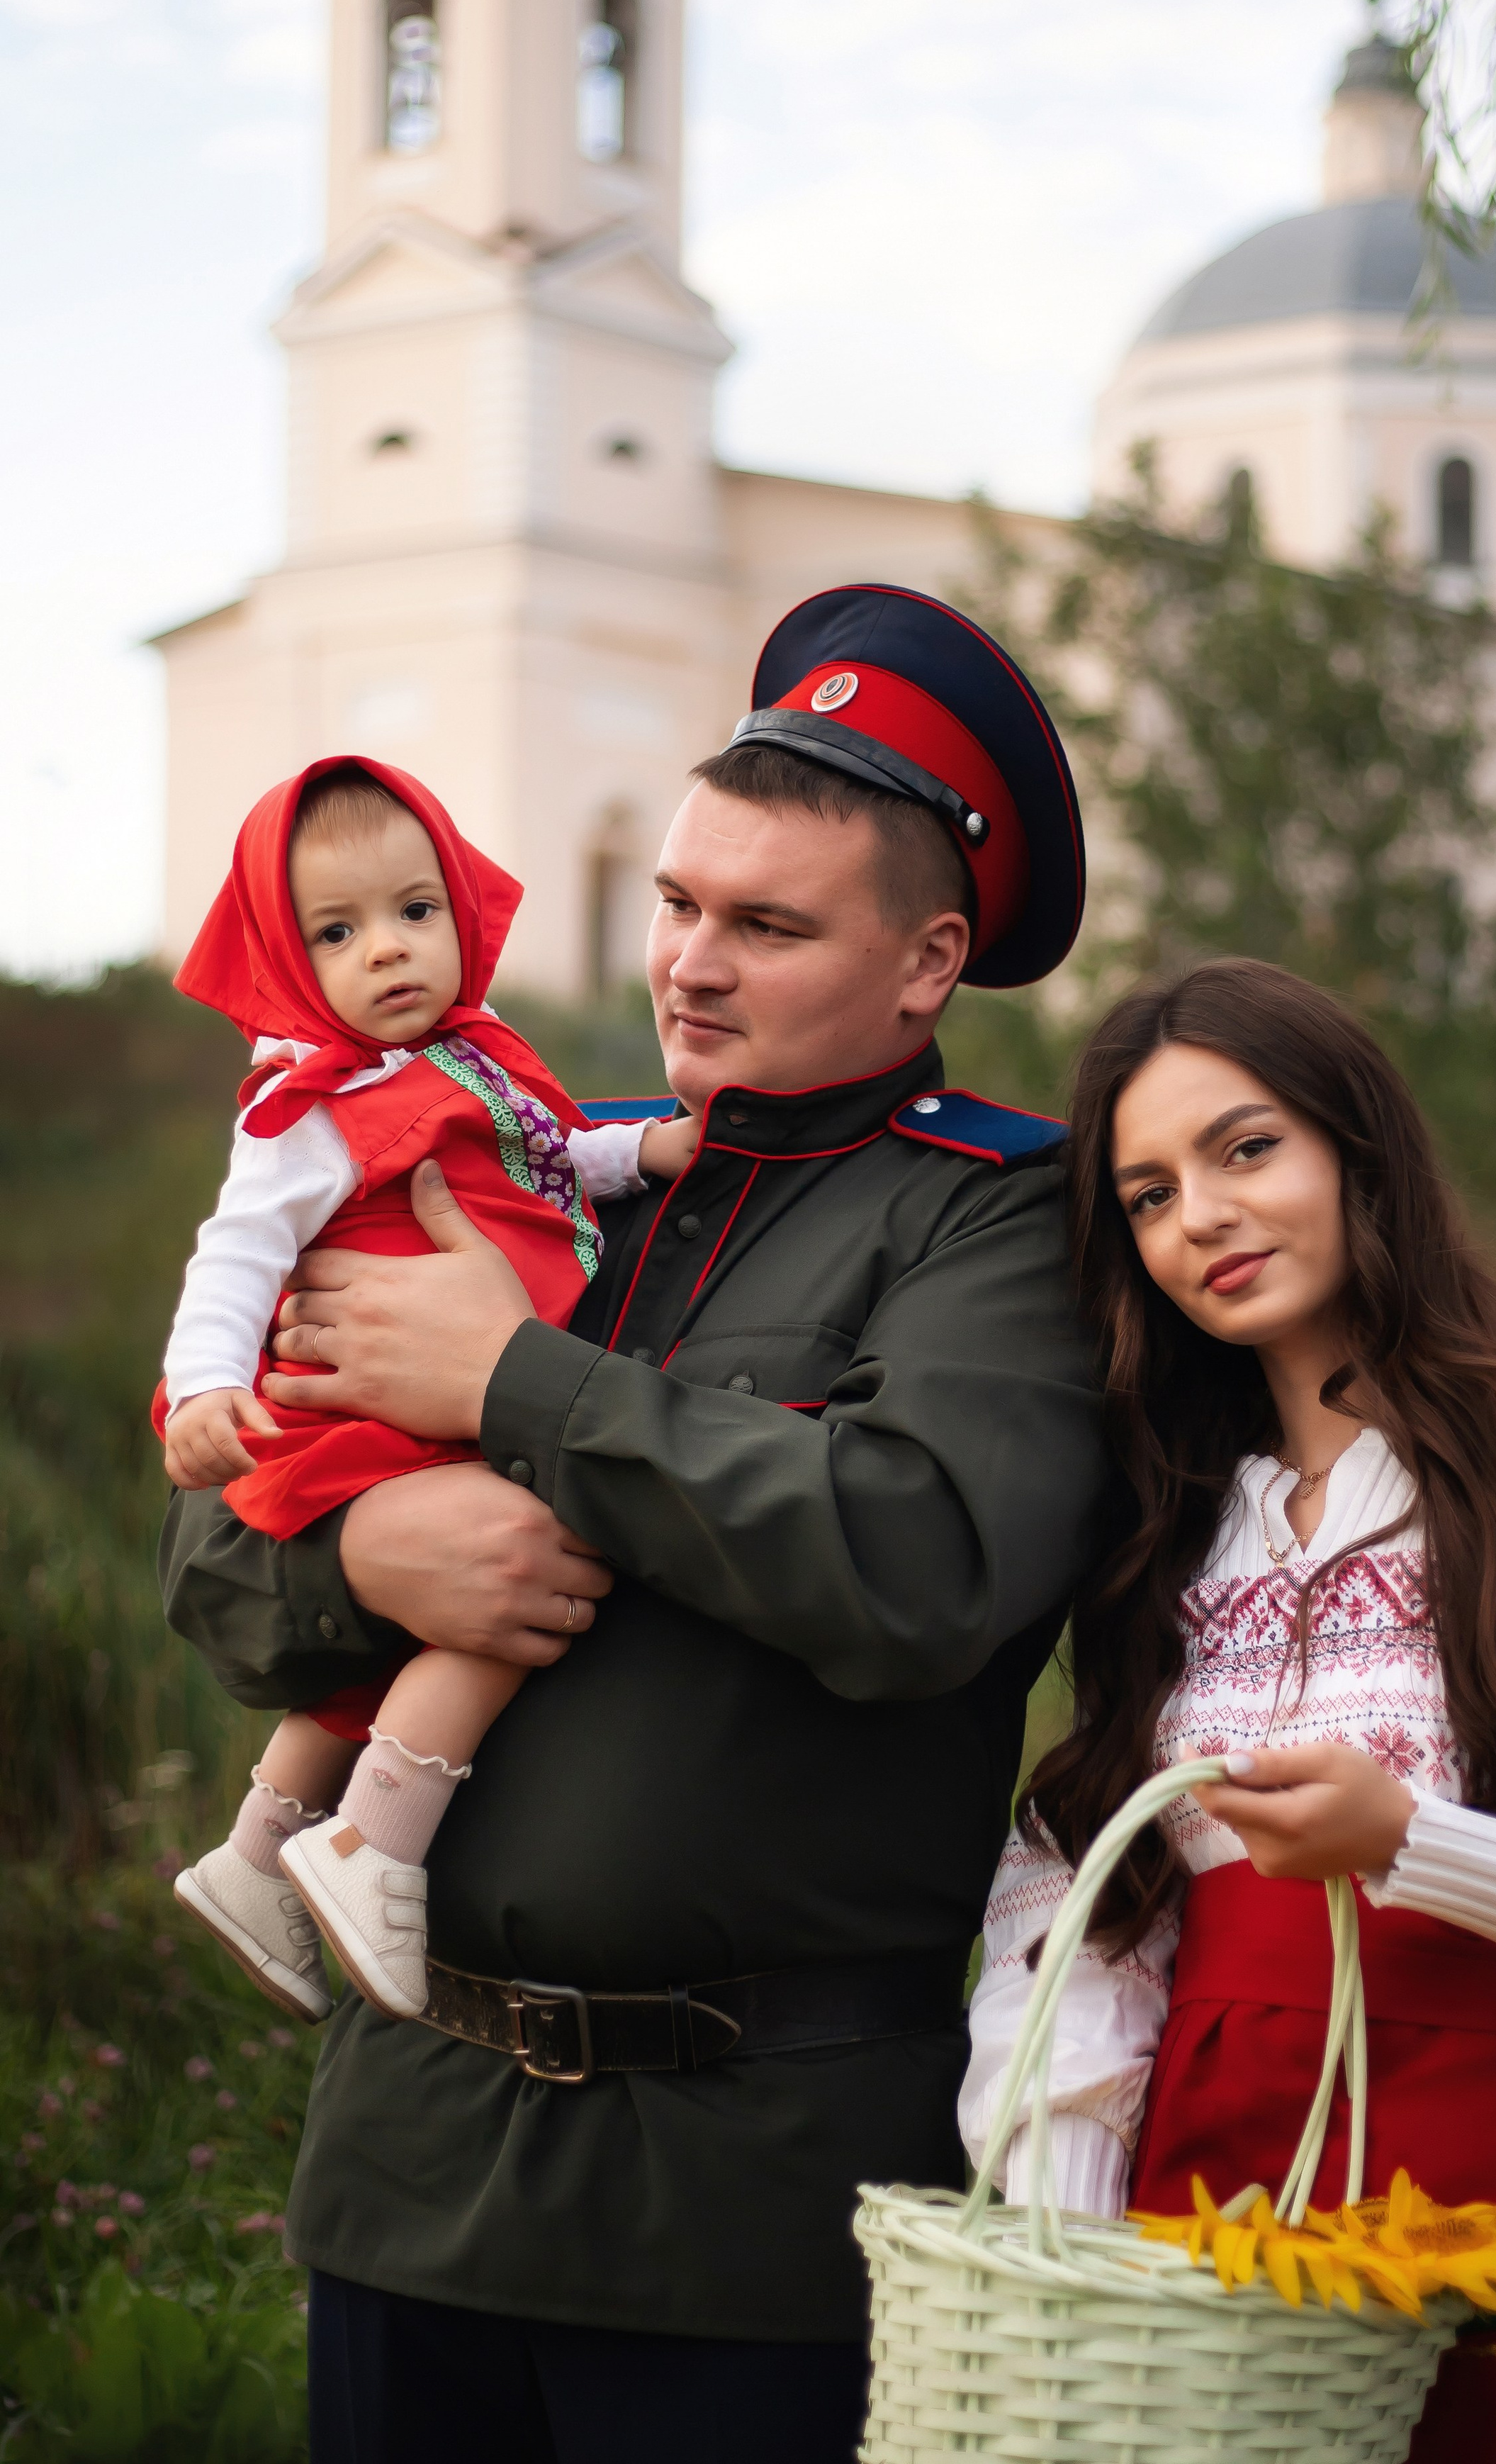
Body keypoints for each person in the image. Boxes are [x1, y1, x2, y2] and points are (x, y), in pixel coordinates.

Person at [159, 586, 1110, 2464]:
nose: (691, 964)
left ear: (927, 962)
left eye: (768, 925)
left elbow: (917, 1568)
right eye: (679, 903)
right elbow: (213, 1562)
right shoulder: (506, 1164)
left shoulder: (997, 1222)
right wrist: (366, 1559)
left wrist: (517, 1386)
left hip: (745, 2215)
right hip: (410, 2165)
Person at [961, 957, 1496, 2462]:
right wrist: (1070, 2263)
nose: (1200, 1217)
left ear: (1358, 1146)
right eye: (1149, 1195)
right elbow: (1083, 1916)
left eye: (1244, 1148)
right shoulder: (1161, 1518)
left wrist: (1416, 1844)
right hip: (1207, 2230)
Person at [158, 754, 692, 2027]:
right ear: (287, 962)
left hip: (450, 1382)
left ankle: (257, 1854)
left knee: (428, 1605)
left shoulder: (470, 1059)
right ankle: (375, 1841)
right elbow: (236, 1252)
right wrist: (204, 1384)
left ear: (461, 906)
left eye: (414, 910)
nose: (388, 950)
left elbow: (541, 1162)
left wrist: (637, 1150)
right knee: (513, 1574)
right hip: (386, 1401)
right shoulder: (310, 1107)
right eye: (336, 933)